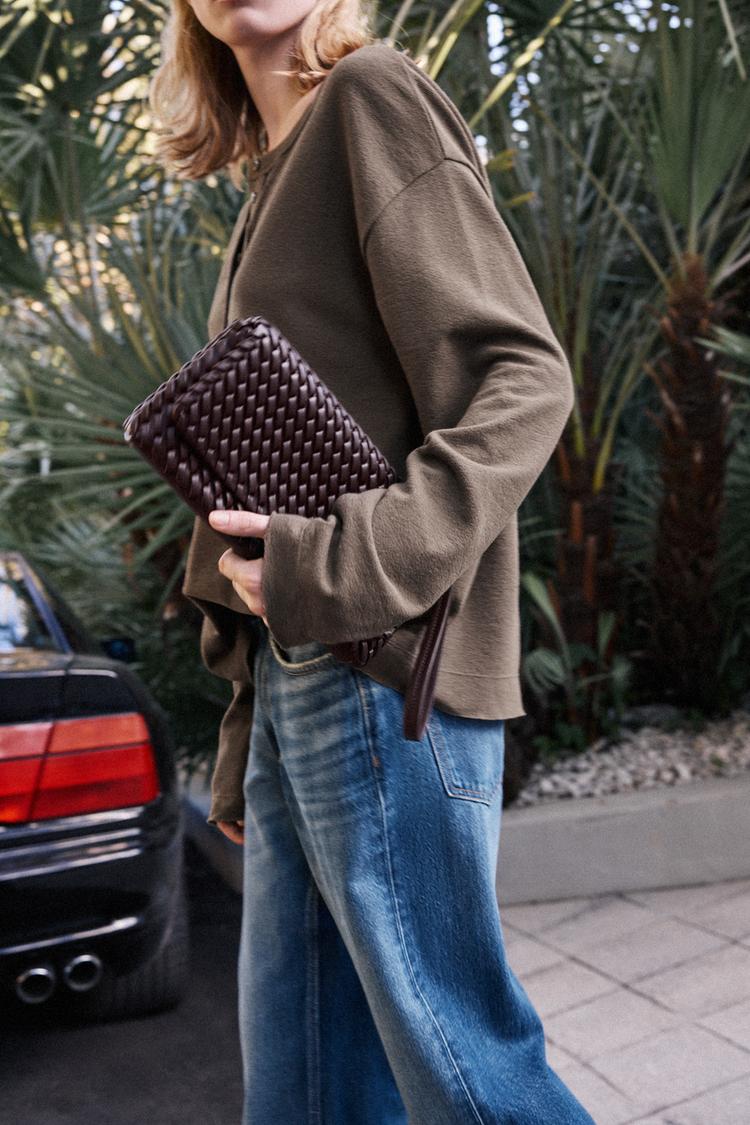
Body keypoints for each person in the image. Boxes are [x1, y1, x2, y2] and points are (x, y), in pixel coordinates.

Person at [151, 2, 597, 1122]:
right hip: (304, 686)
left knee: (471, 1080)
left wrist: (347, 564)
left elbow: (523, 380)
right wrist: (249, 743)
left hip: (382, 673)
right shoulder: (274, 176)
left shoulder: (370, 95)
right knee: (306, 1099)